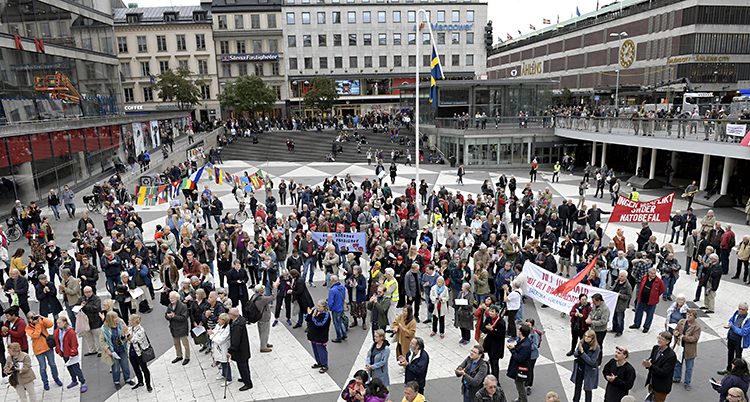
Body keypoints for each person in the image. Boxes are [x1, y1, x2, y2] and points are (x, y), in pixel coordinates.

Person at [24, 311, 62, 390]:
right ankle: (45, 383)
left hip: (48, 347)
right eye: (32, 318)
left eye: (34, 316)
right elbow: (36, 335)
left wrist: (42, 317)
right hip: (38, 350)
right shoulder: (28, 327)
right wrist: (37, 324)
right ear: (29, 320)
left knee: (52, 364)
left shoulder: (41, 321)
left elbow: (50, 324)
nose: (34, 318)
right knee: (42, 367)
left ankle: (56, 378)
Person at [99, 310, 134, 387]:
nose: (117, 318)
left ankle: (127, 379)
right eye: (115, 318)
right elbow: (102, 341)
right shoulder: (104, 329)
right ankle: (116, 381)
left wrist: (126, 333)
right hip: (113, 351)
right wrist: (108, 350)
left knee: (125, 365)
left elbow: (126, 333)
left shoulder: (121, 323)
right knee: (115, 367)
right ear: (110, 319)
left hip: (122, 348)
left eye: (117, 316)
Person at [53, 316, 87, 393]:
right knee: (69, 368)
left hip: (71, 354)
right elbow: (57, 341)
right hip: (64, 353)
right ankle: (74, 380)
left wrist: (73, 353)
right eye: (57, 323)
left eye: (59, 323)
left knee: (76, 369)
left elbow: (74, 344)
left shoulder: (70, 332)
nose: (58, 324)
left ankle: (83, 382)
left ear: (64, 322)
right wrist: (58, 350)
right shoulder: (58, 331)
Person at [643, 331, 678, 402]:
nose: (659, 340)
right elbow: (652, 359)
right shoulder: (655, 348)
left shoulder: (671, 355)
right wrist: (647, 362)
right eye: (659, 338)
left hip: (661, 387)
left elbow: (664, 372)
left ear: (667, 342)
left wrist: (651, 366)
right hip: (652, 382)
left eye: (662, 339)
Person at [672, 309, 701, 390]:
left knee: (689, 368)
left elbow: (695, 338)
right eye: (687, 314)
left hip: (689, 350)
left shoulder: (697, 327)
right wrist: (675, 333)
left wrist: (684, 337)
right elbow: (676, 329)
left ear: (695, 317)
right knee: (678, 364)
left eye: (690, 315)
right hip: (679, 347)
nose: (688, 316)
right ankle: (677, 378)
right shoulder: (681, 321)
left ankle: (687, 383)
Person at [630, 268, 665, 333]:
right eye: (651, 273)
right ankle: (636, 324)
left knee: (649, 315)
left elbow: (662, 290)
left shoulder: (659, 281)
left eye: (654, 273)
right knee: (638, 312)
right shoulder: (644, 278)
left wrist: (655, 296)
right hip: (642, 300)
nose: (653, 275)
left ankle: (646, 327)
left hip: (651, 302)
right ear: (648, 273)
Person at [570, 329, 601, 402]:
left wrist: (582, 353)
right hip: (580, 368)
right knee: (577, 387)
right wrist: (578, 351)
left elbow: (592, 362)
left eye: (588, 337)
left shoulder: (596, 348)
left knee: (588, 388)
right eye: (585, 336)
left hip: (589, 370)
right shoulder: (581, 342)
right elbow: (575, 354)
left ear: (592, 338)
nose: (586, 338)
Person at [720, 303, 750, 376]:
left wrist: (732, 327)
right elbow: (731, 320)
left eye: (742, 309)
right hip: (731, 337)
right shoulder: (736, 313)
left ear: (746, 310)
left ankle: (737, 373)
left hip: (739, 341)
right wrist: (729, 324)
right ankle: (729, 369)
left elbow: (743, 332)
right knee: (730, 354)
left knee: (738, 357)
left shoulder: (748, 319)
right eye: (739, 308)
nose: (740, 311)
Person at [227, 307, 253, 391]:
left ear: (232, 315)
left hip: (240, 350)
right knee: (245, 365)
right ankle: (245, 378)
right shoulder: (240, 321)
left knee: (242, 366)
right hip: (244, 348)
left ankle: (248, 383)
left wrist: (230, 351)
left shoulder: (237, 326)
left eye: (229, 313)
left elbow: (235, 341)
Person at [126, 314, 153, 391]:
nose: (128, 321)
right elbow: (126, 338)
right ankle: (140, 382)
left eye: (129, 320)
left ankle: (148, 385)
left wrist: (127, 336)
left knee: (144, 369)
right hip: (131, 353)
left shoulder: (141, 330)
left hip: (140, 353)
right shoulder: (130, 328)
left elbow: (134, 340)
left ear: (134, 321)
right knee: (136, 368)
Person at [506, 324, 532, 402]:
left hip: (521, 369)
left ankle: (523, 400)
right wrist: (514, 348)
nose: (517, 331)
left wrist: (512, 350)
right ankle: (520, 399)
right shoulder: (523, 341)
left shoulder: (525, 345)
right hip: (520, 368)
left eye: (518, 330)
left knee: (520, 387)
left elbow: (519, 358)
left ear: (521, 332)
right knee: (519, 385)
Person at [165, 291, 190, 366]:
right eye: (170, 298)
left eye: (172, 298)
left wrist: (174, 316)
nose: (171, 299)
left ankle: (187, 357)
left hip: (182, 328)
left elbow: (184, 318)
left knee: (185, 344)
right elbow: (166, 315)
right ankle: (179, 356)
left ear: (177, 298)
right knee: (176, 344)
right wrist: (168, 316)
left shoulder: (183, 306)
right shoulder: (169, 306)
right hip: (174, 328)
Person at [481, 305, 506, 379]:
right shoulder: (488, 319)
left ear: (497, 313)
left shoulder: (501, 322)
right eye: (490, 311)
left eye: (492, 311)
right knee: (491, 360)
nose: (490, 313)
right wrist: (486, 328)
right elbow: (482, 328)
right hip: (489, 344)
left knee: (495, 363)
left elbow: (500, 336)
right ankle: (492, 375)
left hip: (497, 345)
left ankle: (496, 379)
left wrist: (492, 330)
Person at [307, 299, 331, 373]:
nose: (317, 307)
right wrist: (309, 314)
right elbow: (307, 319)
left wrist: (313, 317)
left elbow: (320, 324)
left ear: (324, 307)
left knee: (321, 350)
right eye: (317, 305)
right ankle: (319, 362)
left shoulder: (326, 314)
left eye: (319, 306)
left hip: (321, 336)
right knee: (315, 350)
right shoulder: (315, 310)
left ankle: (324, 365)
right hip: (313, 334)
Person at [209, 312, 232, 385]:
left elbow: (220, 340)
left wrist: (211, 336)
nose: (218, 320)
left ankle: (228, 378)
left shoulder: (227, 329)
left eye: (220, 319)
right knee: (220, 362)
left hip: (223, 348)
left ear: (224, 320)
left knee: (225, 363)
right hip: (217, 348)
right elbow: (215, 332)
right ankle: (223, 374)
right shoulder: (218, 325)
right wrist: (212, 333)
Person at [608, 270, 632, 337]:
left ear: (626, 277)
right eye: (619, 275)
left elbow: (629, 296)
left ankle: (620, 331)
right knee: (614, 317)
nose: (620, 277)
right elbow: (613, 288)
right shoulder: (617, 281)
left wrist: (620, 295)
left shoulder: (628, 286)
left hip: (620, 305)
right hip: (614, 303)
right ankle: (614, 328)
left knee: (620, 319)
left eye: (622, 276)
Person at [587, 293, 610, 361]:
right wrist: (589, 318)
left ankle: (598, 360)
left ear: (599, 301)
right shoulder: (595, 306)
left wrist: (592, 322)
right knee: (592, 344)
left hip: (600, 331)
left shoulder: (605, 309)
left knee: (598, 346)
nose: (593, 303)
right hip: (593, 329)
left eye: (594, 302)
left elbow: (603, 321)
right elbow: (591, 313)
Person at [251, 285, 274, 352]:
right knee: (265, 332)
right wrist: (274, 288)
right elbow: (273, 297)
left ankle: (265, 343)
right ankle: (263, 347)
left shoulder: (254, 296)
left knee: (262, 331)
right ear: (261, 291)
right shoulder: (262, 298)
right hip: (264, 317)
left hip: (259, 317)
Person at [328, 275, 348, 343]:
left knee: (336, 323)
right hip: (341, 307)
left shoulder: (332, 290)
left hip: (335, 309)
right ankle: (344, 334)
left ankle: (339, 337)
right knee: (341, 321)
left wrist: (329, 308)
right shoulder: (342, 287)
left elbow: (331, 302)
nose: (329, 281)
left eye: (330, 280)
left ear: (333, 281)